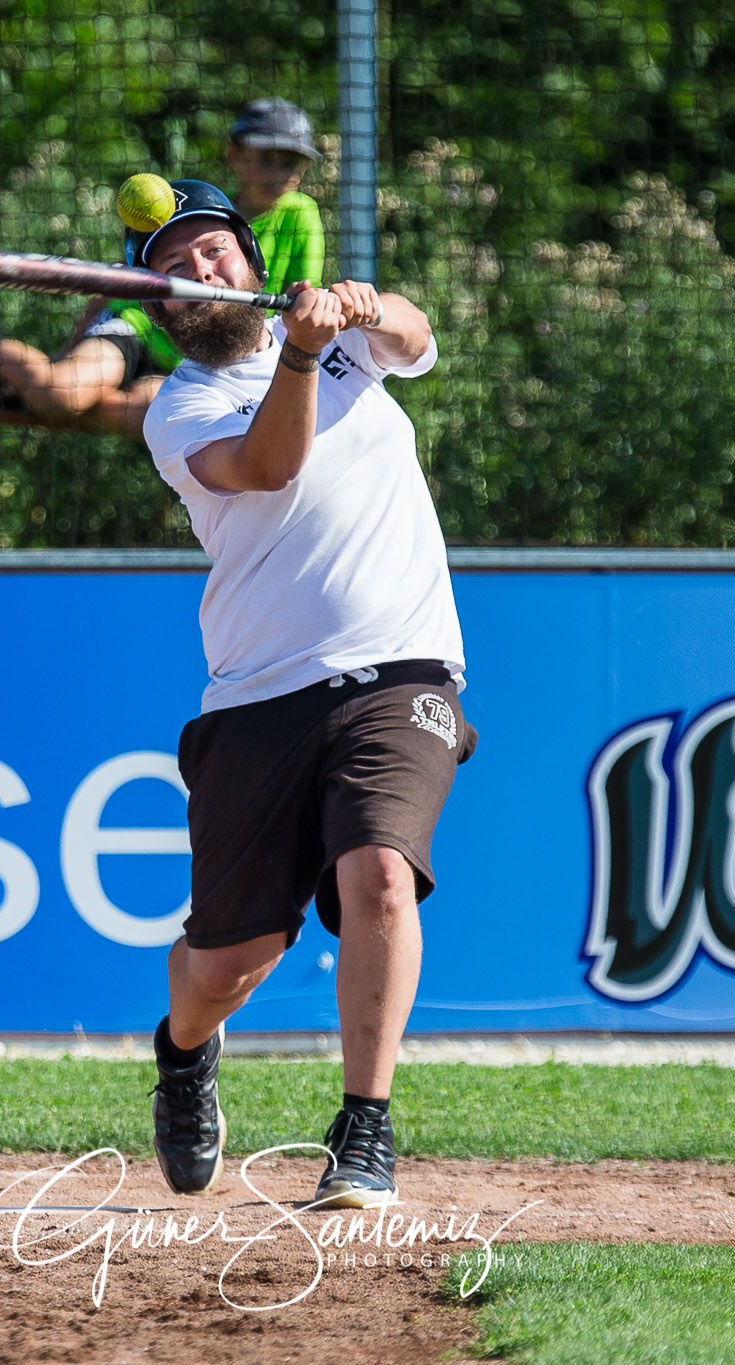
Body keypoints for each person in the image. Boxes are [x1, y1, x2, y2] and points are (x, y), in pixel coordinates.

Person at [132, 186, 474, 1209]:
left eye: (215, 249)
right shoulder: (178, 406)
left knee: (378, 874)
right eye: (178, 265)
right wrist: (293, 356)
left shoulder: (338, 344)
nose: (204, 270)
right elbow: (272, 467)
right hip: (258, 696)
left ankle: (362, 1129)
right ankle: (182, 1050)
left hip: (401, 666)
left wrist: (360, 312)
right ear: (161, 304)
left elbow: (417, 333)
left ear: (249, 258)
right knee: (226, 965)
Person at [0, 97, 326, 439]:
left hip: (203, 357)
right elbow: (128, 278)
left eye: (291, 162)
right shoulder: (194, 212)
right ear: (234, 153)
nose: (279, 172)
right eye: (266, 157)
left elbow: (297, 297)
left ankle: (19, 388)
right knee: (61, 395)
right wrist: (73, 346)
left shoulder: (299, 214)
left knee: (150, 414)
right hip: (140, 328)